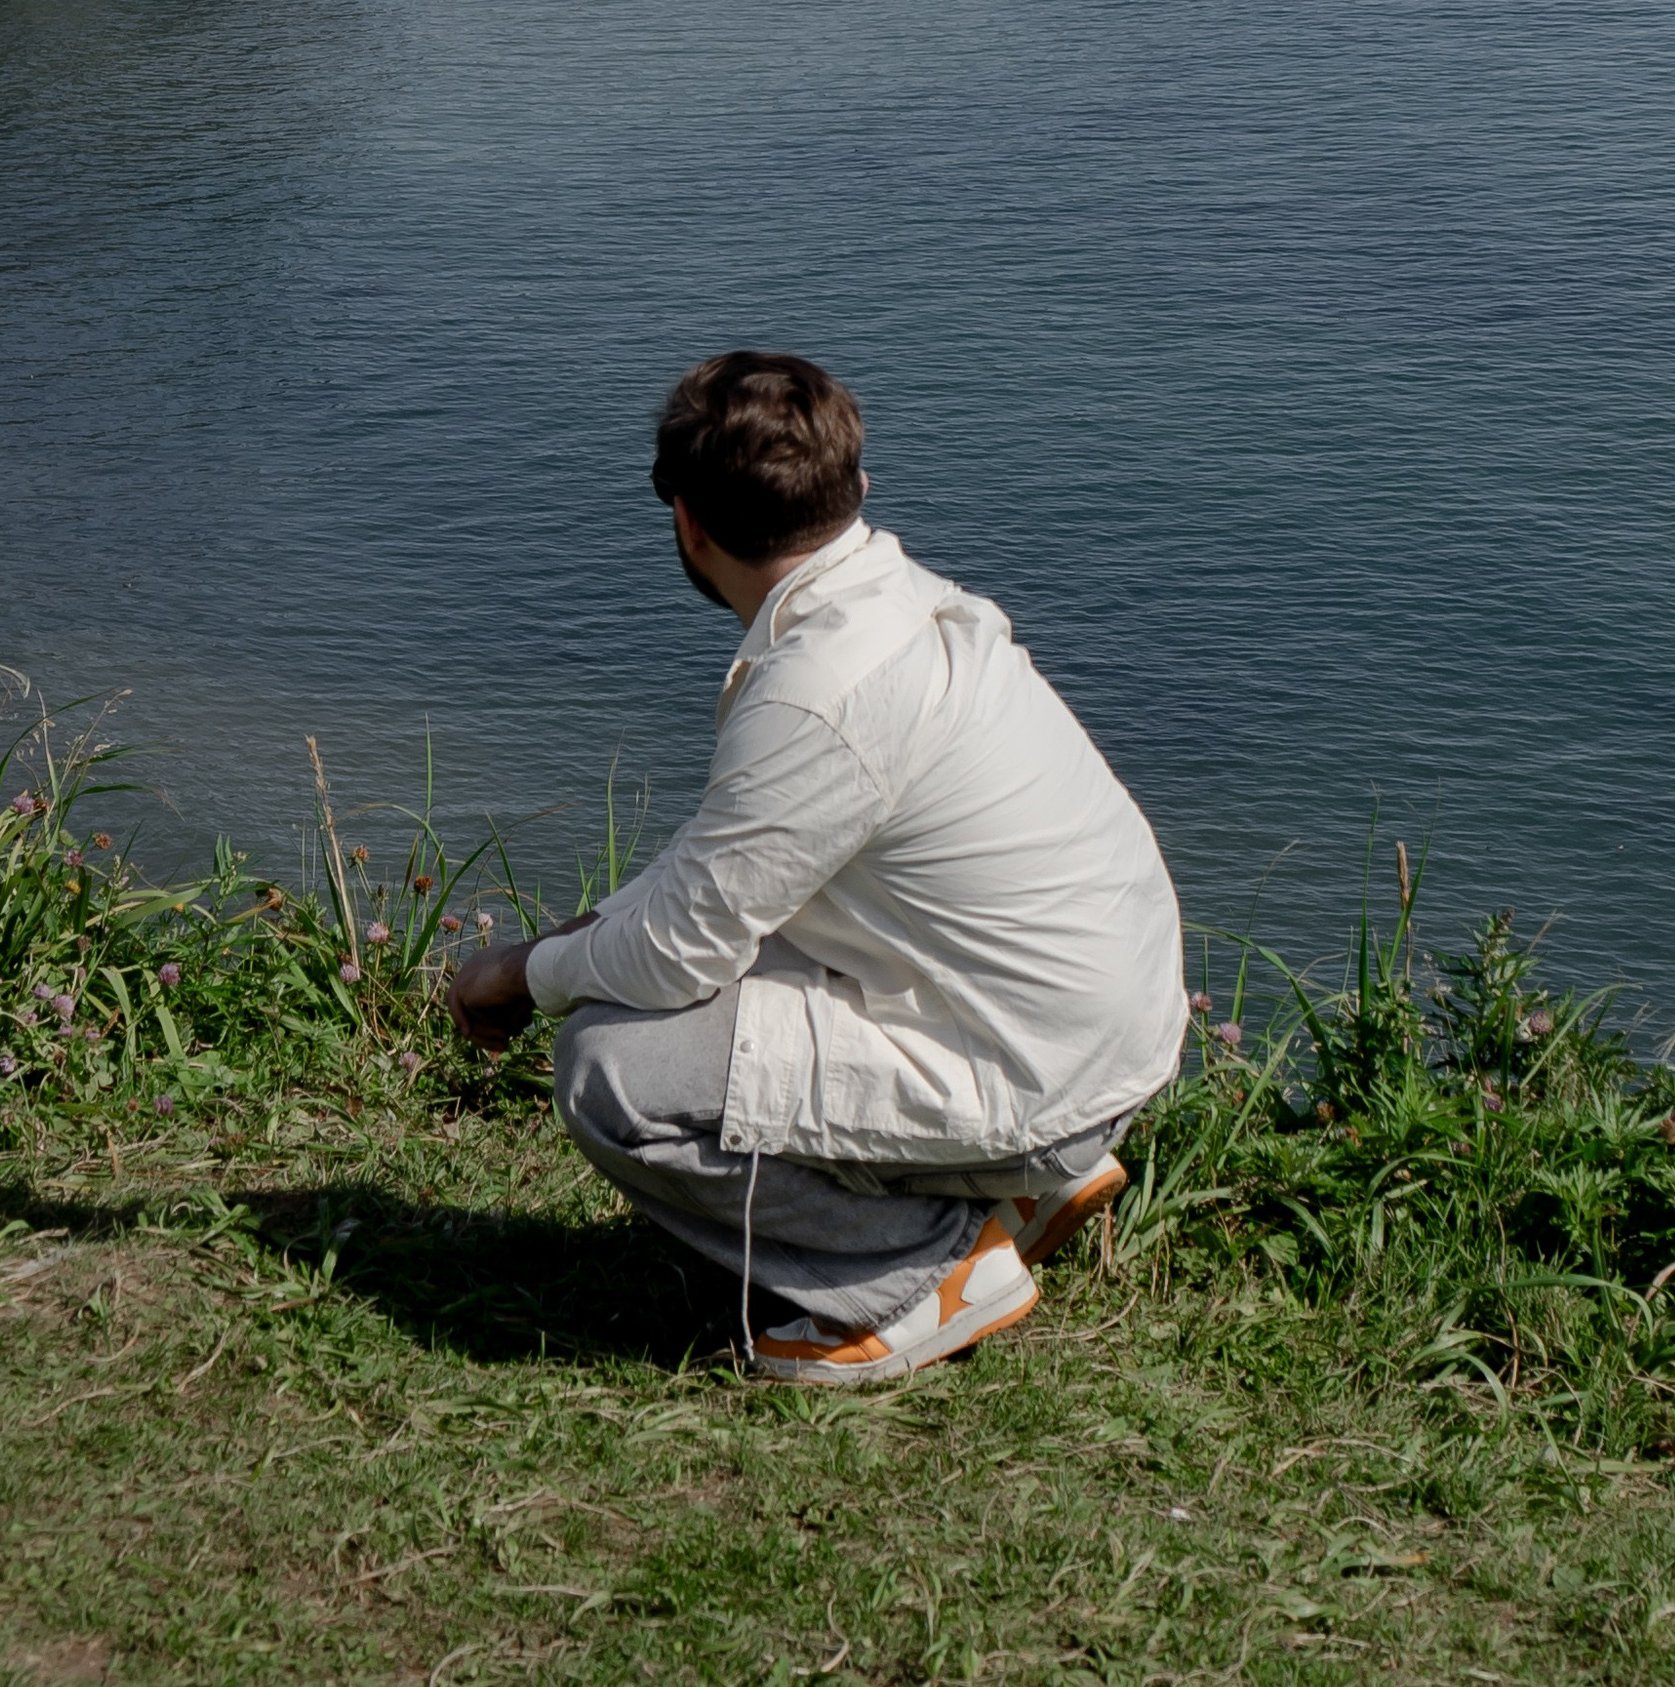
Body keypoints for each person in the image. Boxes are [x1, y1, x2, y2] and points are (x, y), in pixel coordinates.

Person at [448, 348, 1187, 1388]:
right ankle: (1016, 1185)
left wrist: (523, 975)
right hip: (1099, 1031)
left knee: (609, 1069)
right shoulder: (903, 606)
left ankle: (918, 1275)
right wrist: (568, 943)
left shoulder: (817, 690)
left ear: (687, 524)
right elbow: (718, 880)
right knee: (697, 977)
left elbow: (675, 955)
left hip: (1042, 1072)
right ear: (857, 487)